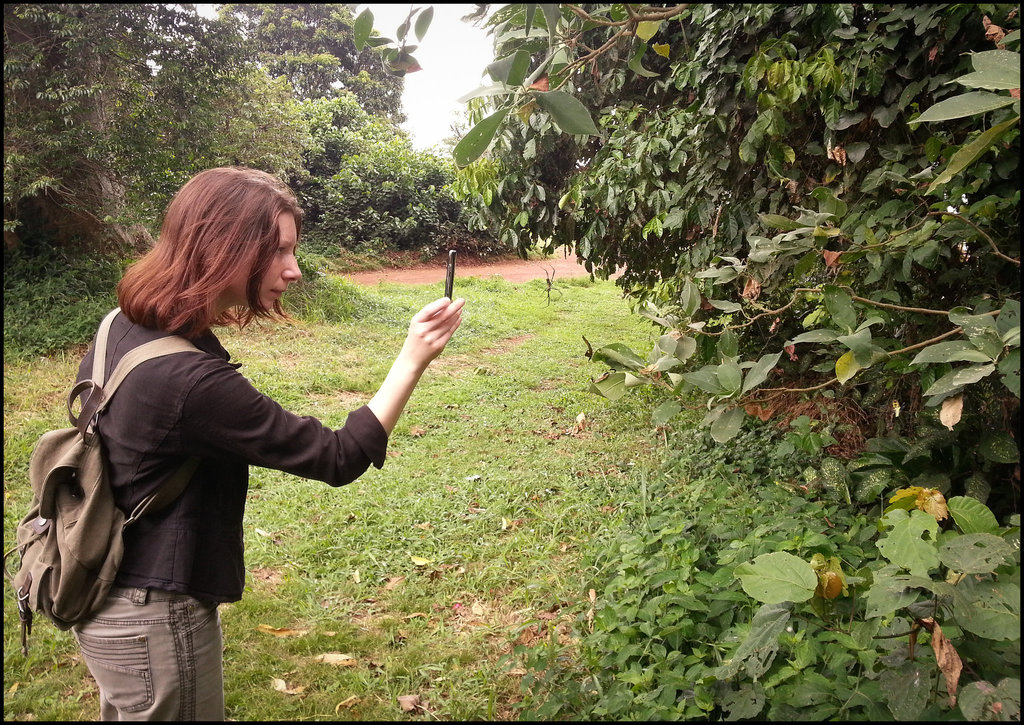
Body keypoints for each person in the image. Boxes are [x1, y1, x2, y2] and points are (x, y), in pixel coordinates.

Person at [69, 166, 464, 720]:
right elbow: (338, 455)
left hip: (104, 589)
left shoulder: (123, 326)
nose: (294, 270)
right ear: (224, 248)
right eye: (278, 251)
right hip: (151, 613)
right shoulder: (190, 382)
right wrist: (413, 357)